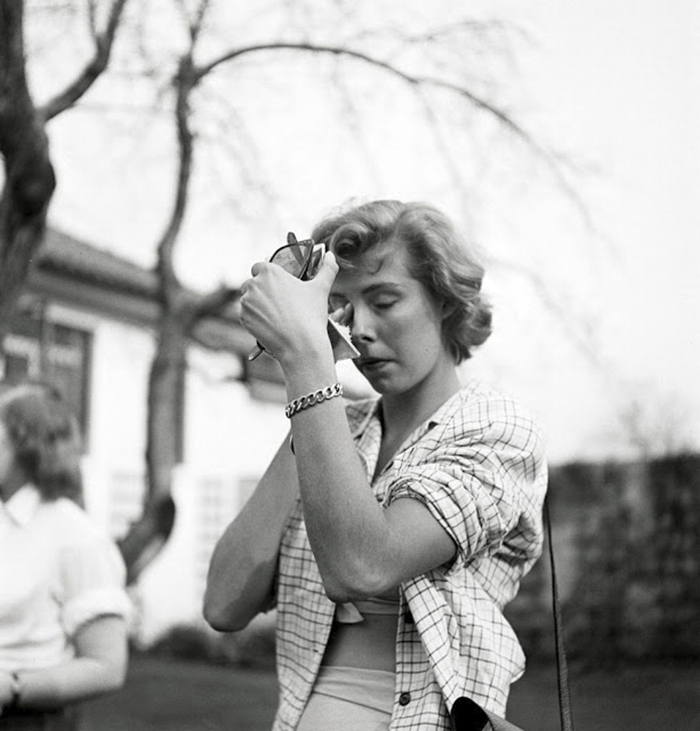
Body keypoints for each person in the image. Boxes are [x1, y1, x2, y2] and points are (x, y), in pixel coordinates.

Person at [204, 200, 547, 731]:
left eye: (385, 301)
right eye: (340, 306)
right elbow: (224, 605)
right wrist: (311, 384)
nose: (359, 328)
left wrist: (306, 363)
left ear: (445, 305)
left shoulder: (497, 430)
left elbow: (361, 567)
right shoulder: (330, 423)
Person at [0, 382, 131, 730]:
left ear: (29, 446)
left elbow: (107, 667)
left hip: (28, 720)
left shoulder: (75, 536)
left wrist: (12, 687)